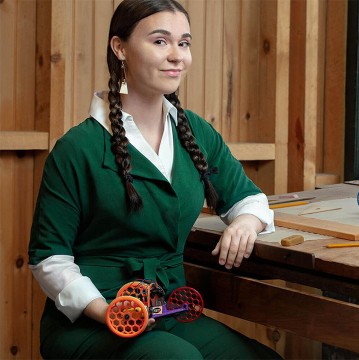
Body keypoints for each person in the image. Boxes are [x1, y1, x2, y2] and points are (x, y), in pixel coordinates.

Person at [28, 0, 281, 358]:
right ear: (120, 48)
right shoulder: (77, 148)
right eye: (160, 41)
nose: (177, 55)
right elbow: (49, 258)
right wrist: (107, 311)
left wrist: (246, 222)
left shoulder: (196, 133)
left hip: (169, 310)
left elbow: (249, 198)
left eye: (185, 43)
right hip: (94, 319)